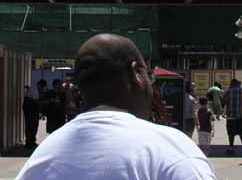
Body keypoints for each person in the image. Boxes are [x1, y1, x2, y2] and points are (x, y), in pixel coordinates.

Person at [15, 33, 215, 180]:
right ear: (136, 73)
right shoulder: (172, 150)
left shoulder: (41, 160)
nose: (151, 84)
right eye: (150, 76)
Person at [223, 78, 242, 154]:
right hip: (240, 116)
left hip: (230, 116)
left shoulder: (228, 91)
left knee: (231, 133)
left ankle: (231, 148)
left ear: (231, 84)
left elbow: (224, 101)